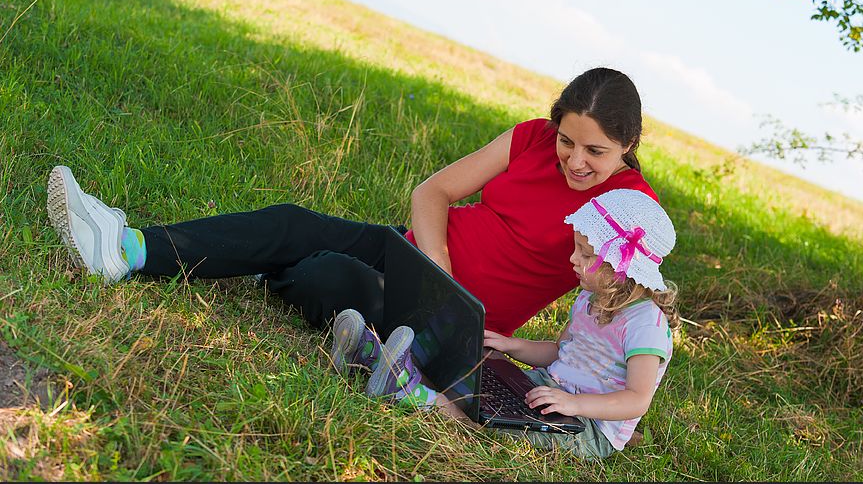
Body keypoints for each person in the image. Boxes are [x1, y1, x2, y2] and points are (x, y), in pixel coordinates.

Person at [46, 67, 658, 341]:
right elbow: (433, 192)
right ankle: (127, 247)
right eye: (567, 141)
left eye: (595, 152)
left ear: (628, 147)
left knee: (326, 274)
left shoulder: (632, 208)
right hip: (417, 254)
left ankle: (266, 264)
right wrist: (437, 265)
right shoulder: (528, 137)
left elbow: (619, 302)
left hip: (454, 320)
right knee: (294, 222)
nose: (575, 161)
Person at [333, 188, 680, 456]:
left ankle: (406, 392)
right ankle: (376, 357)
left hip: (589, 428)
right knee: (473, 379)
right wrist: (512, 345)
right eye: (577, 249)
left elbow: (637, 399)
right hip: (550, 390)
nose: (573, 259)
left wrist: (572, 405)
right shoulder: (589, 298)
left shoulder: (644, 323)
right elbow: (561, 351)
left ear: (621, 269)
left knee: (481, 420)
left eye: (586, 255)